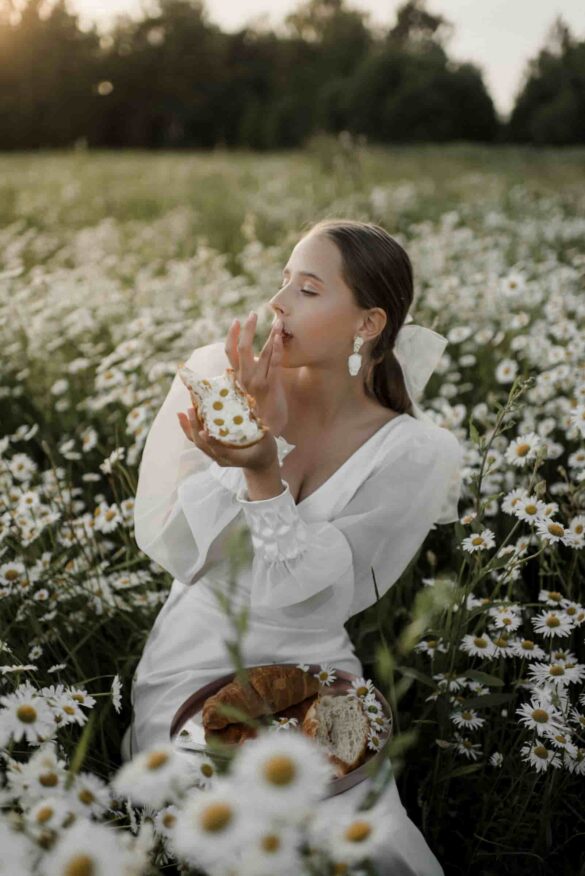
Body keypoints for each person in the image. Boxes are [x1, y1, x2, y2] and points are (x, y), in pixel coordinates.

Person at [121, 219, 464, 876]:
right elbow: (188, 547)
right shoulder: (214, 375)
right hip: (195, 656)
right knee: (235, 835)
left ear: (367, 325)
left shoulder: (416, 453)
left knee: (369, 835)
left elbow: (308, 591)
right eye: (282, 281)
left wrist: (261, 470)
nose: (277, 303)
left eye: (306, 289)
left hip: (314, 662)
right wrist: (252, 439)